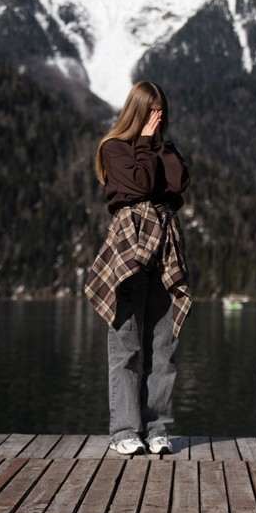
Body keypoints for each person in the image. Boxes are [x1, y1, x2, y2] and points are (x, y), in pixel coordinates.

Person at [85, 81, 191, 456]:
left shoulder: (163, 148)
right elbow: (141, 185)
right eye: (151, 110)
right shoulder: (114, 147)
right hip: (129, 245)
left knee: (163, 345)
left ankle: (157, 427)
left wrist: (157, 144)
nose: (158, 117)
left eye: (161, 111)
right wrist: (145, 141)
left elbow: (178, 183)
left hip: (165, 247)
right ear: (138, 111)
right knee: (126, 344)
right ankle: (125, 430)